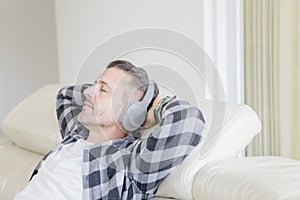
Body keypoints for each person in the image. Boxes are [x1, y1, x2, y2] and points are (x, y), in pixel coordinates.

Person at [14, 60, 205, 200]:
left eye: (103, 90)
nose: (88, 92)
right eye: (94, 85)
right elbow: (66, 95)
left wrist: (153, 106)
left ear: (131, 112)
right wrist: (102, 87)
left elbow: (189, 120)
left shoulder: (127, 164)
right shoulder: (75, 134)